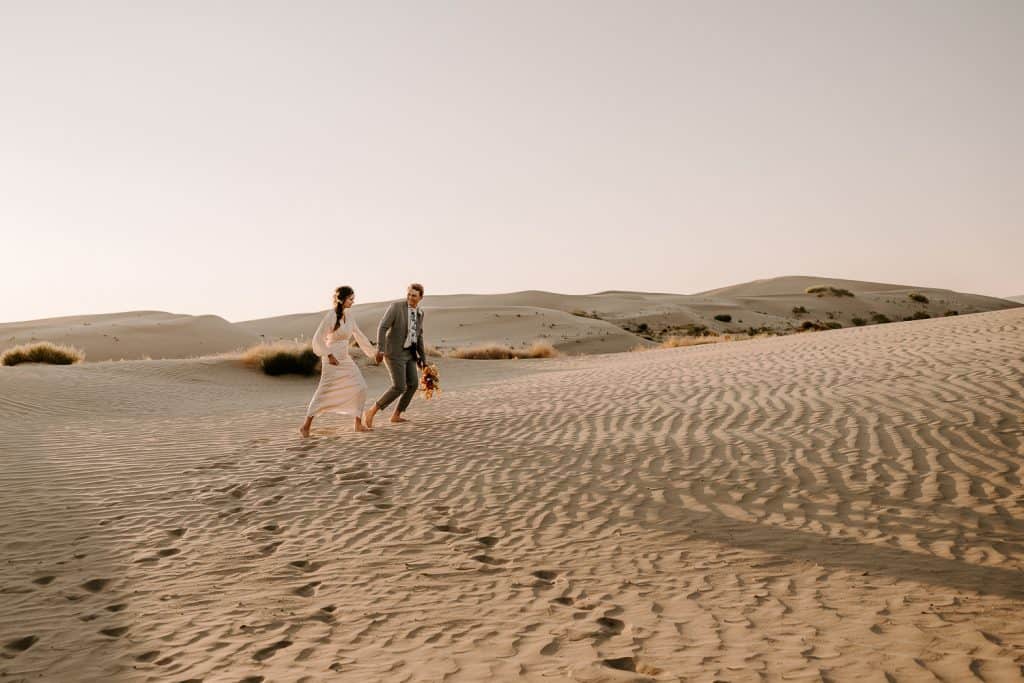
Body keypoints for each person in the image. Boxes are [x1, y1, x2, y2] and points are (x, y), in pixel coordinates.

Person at [300, 286, 377, 436]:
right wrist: (328, 355)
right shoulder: (330, 316)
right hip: (331, 359)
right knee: (324, 391)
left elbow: (359, 335)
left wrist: (373, 353)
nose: (353, 302)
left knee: (361, 387)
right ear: (342, 299)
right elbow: (318, 338)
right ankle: (306, 426)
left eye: (353, 299)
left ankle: (357, 423)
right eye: (351, 299)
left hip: (345, 358)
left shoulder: (350, 316)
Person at [364, 283, 426, 427]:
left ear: (421, 297)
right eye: (409, 294)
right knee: (399, 386)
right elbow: (383, 327)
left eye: (414, 295)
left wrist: (423, 360)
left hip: (410, 353)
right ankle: (371, 411)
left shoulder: (420, 313)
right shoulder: (396, 307)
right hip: (393, 353)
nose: (410, 297)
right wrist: (380, 349)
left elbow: (419, 336)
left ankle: (396, 415)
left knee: (413, 384)